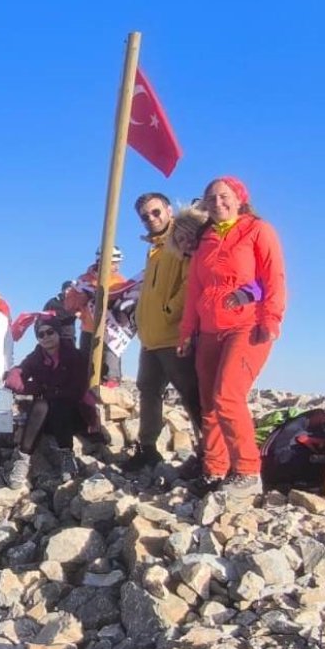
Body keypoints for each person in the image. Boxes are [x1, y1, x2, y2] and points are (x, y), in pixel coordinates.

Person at [177, 176, 286, 496]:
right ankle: (214, 469)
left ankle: (247, 471)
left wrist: (271, 319)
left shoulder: (258, 230)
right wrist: (187, 331)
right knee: (209, 402)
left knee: (227, 396)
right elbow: (195, 290)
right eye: (210, 199)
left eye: (224, 197)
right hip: (210, 330)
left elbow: (274, 277)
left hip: (247, 326)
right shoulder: (206, 239)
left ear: (239, 198)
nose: (217, 203)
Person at [129, 192, 202, 473]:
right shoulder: (155, 248)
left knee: (190, 393)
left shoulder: (180, 240)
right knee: (148, 390)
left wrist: (171, 311)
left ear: (169, 210)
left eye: (156, 212)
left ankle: (207, 453)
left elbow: (189, 281)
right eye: (145, 216)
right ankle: (146, 448)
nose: (151, 219)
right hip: (150, 338)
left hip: (173, 335)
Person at [2, 316, 94, 489]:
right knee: (40, 405)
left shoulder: (74, 356)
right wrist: (30, 386)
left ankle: (67, 456)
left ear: (58, 333)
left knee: (59, 405)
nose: (46, 337)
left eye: (50, 332)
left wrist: (43, 388)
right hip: (45, 417)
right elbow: (16, 375)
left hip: (72, 415)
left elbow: (76, 390)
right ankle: (23, 461)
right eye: (40, 334)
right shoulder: (37, 356)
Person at [77, 247, 129, 387]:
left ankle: (110, 395)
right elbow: (71, 303)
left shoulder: (121, 282)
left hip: (111, 331)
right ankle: (85, 398)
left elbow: (124, 305)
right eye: (114, 262)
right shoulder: (84, 280)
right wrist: (83, 298)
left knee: (110, 367)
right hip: (88, 330)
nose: (117, 266)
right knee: (85, 367)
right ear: (102, 261)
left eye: (118, 263)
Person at [42, 281, 79, 348]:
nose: (69, 292)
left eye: (72, 290)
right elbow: (42, 318)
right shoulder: (52, 302)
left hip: (69, 338)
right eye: (68, 289)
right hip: (53, 337)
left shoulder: (75, 302)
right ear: (63, 290)